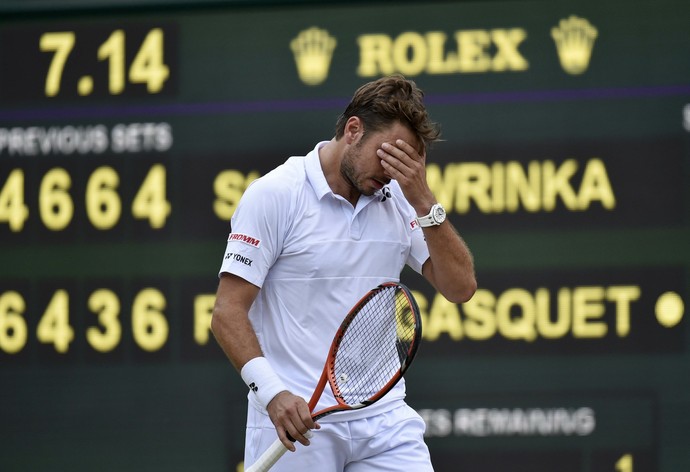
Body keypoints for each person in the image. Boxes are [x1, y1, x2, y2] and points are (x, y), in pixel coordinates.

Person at [211, 75, 476, 471]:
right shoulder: (275, 194)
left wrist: (423, 198)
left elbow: (460, 287)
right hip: (295, 422)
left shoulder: (403, 198)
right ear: (353, 130)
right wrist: (273, 394)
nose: (390, 172)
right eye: (385, 156)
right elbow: (226, 312)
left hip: (384, 419)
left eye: (402, 163)